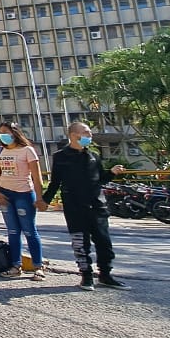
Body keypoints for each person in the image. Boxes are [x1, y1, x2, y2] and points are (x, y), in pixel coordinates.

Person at [40, 122, 128, 290]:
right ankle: (86, 275)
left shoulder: (94, 155)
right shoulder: (61, 156)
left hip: (97, 205)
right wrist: (45, 201)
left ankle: (105, 275)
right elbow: (55, 182)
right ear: (74, 135)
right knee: (80, 242)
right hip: (74, 206)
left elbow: (100, 178)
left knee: (104, 242)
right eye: (86, 133)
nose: (90, 135)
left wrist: (112, 173)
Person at [0, 122, 46, 280]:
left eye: (5, 132)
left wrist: (40, 197)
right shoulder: (0, 151)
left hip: (24, 194)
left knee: (29, 230)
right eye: (0, 133)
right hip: (5, 195)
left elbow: (36, 176)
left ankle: (38, 266)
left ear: (15, 133)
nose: (3, 136)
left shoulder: (27, 150)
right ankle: (15, 265)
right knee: (13, 232)